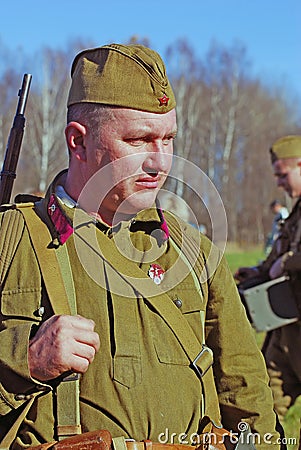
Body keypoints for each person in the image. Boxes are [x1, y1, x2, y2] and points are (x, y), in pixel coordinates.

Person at [0, 44, 281, 449]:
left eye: (168, 139)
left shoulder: (193, 252)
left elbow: (244, 387)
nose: (160, 161)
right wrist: (25, 359)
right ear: (78, 142)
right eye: (139, 140)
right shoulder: (13, 240)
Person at [235, 135, 301, 422]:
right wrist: (259, 271)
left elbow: (288, 258)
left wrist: (287, 263)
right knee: (264, 408)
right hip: (286, 327)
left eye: (283, 175)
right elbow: (281, 252)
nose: (279, 183)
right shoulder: (295, 212)